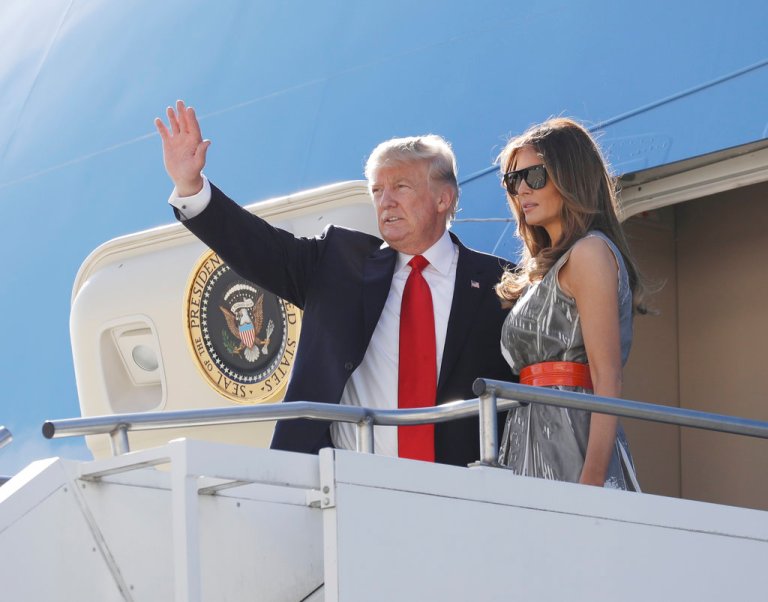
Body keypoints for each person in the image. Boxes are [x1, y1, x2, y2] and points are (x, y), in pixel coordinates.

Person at [155, 100, 514, 466]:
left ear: (444, 198)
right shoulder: (339, 263)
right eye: (377, 191)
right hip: (351, 489)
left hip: (463, 494)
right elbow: (258, 247)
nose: (385, 202)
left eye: (401, 187)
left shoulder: (500, 283)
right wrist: (191, 186)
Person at [495, 117, 641, 490]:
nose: (521, 190)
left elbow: (607, 375)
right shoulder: (541, 270)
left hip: (573, 435)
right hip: (525, 436)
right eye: (512, 181)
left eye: (535, 176)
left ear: (571, 175)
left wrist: (591, 480)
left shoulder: (590, 252)